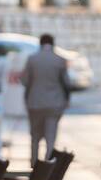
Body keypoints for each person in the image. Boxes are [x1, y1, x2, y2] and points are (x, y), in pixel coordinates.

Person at [21, 33, 72, 163]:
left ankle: (33, 163)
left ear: (40, 43)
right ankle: (48, 164)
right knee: (51, 136)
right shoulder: (60, 60)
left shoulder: (32, 59)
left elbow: (25, 81)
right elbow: (66, 83)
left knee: (35, 136)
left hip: (35, 102)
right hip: (55, 103)